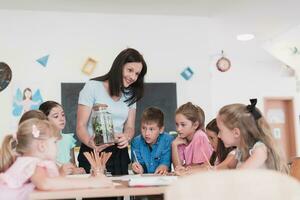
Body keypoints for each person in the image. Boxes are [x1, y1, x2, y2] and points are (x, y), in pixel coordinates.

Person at [0, 119, 112, 200]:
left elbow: (57, 181)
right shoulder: (33, 163)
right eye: (54, 142)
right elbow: (46, 183)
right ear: (42, 146)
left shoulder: (28, 161)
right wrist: (91, 183)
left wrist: (91, 179)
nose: (57, 146)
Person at [77, 48, 147, 175]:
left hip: (119, 153)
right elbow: (81, 126)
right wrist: (90, 142)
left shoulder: (131, 94)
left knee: (118, 193)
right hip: (94, 151)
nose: (133, 77)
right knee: (96, 193)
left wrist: (127, 137)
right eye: (130, 70)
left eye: (137, 74)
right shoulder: (92, 87)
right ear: (119, 66)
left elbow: (130, 126)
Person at [216, 99, 288, 172]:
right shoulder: (240, 150)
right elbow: (229, 167)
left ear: (236, 133)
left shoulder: (259, 149)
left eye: (220, 130)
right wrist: (212, 170)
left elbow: (240, 174)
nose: (218, 135)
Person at [39, 101, 85, 174]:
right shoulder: (42, 142)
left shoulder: (68, 139)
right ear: (45, 120)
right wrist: (61, 171)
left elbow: (73, 164)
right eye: (56, 116)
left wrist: (77, 170)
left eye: (63, 115)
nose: (61, 119)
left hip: (68, 181)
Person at [131, 107, 173, 175]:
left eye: (151, 129)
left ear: (161, 129)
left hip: (162, 180)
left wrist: (163, 167)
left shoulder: (168, 140)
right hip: (143, 181)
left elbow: (165, 162)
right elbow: (139, 164)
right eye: (144, 128)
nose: (147, 133)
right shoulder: (136, 142)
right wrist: (138, 168)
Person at [172, 102, 213, 172]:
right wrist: (174, 145)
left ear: (195, 125)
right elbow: (177, 167)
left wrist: (183, 169)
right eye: (177, 124)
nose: (178, 129)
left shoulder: (200, 136)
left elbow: (200, 167)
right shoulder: (182, 138)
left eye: (183, 125)